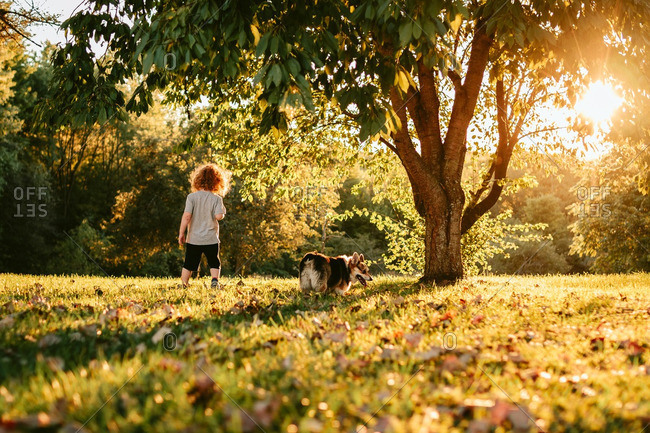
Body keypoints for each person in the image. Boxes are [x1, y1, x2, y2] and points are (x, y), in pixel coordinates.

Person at [178, 163, 230, 288]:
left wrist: (181, 233)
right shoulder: (216, 199)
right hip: (211, 238)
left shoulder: (191, 197)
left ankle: (184, 284)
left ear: (197, 179)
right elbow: (218, 216)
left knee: (189, 263)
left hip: (194, 239)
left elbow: (186, 216)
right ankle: (214, 281)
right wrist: (222, 212)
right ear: (217, 181)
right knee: (214, 261)